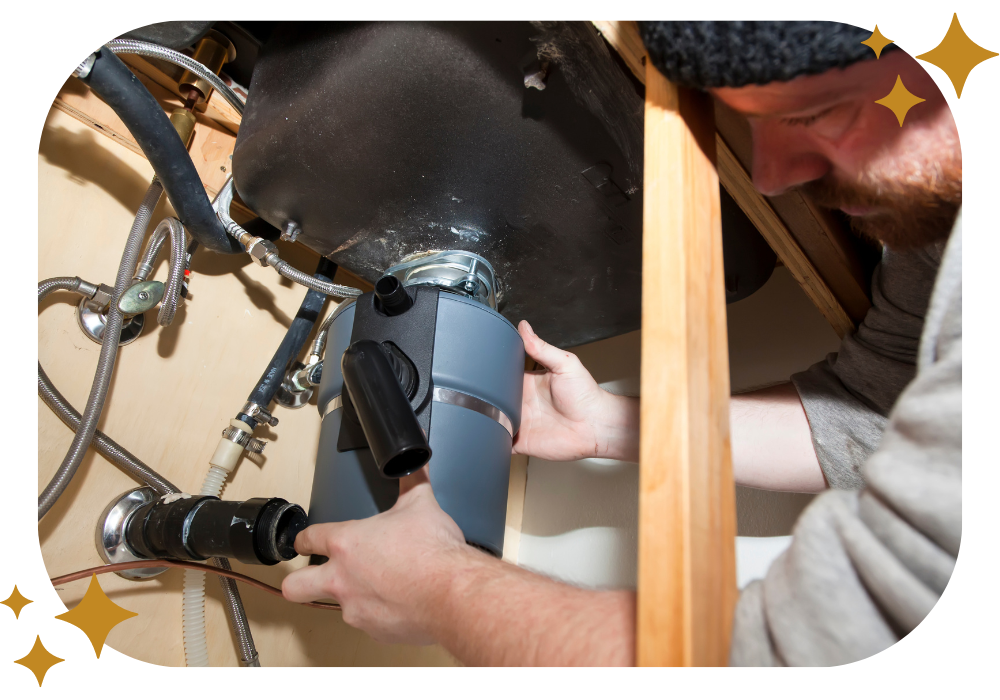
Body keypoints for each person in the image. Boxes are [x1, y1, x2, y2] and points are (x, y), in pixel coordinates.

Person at [282, 20, 963, 667]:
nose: (771, 178)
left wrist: (439, 592)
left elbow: (785, 651)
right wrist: (614, 425)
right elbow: (873, 410)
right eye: (760, 124)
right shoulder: (933, 247)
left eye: (820, 113)